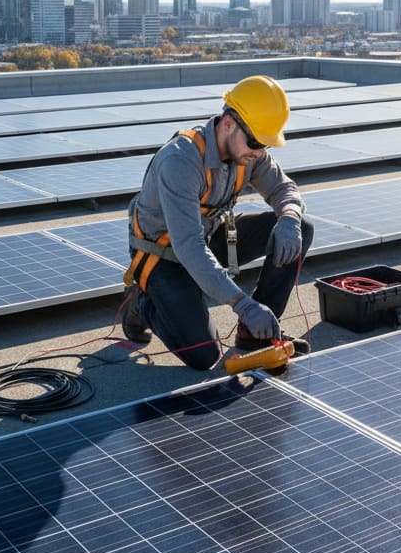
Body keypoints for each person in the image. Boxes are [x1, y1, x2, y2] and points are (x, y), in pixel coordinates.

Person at [123, 75, 315, 369]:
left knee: (301, 227)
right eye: (255, 142)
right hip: (165, 255)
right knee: (205, 356)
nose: (259, 152)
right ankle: (143, 303)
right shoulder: (180, 161)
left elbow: (283, 189)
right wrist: (243, 304)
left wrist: (289, 216)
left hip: (212, 236)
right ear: (228, 123)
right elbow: (190, 247)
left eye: (265, 144)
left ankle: (254, 335)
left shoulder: (251, 152)